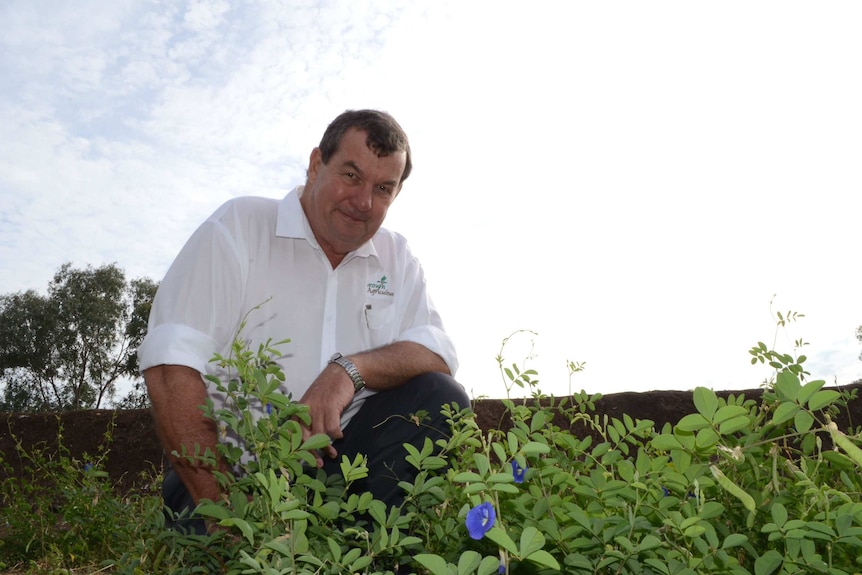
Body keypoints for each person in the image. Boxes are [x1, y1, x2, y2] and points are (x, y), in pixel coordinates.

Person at [138, 109, 469, 534]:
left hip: (347, 478)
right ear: (316, 164)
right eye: (351, 175)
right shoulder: (238, 228)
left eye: (383, 188)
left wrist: (348, 371)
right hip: (230, 476)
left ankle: (373, 556)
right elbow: (170, 364)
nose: (364, 202)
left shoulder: (397, 258)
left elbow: (436, 350)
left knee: (439, 396)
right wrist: (220, 509)